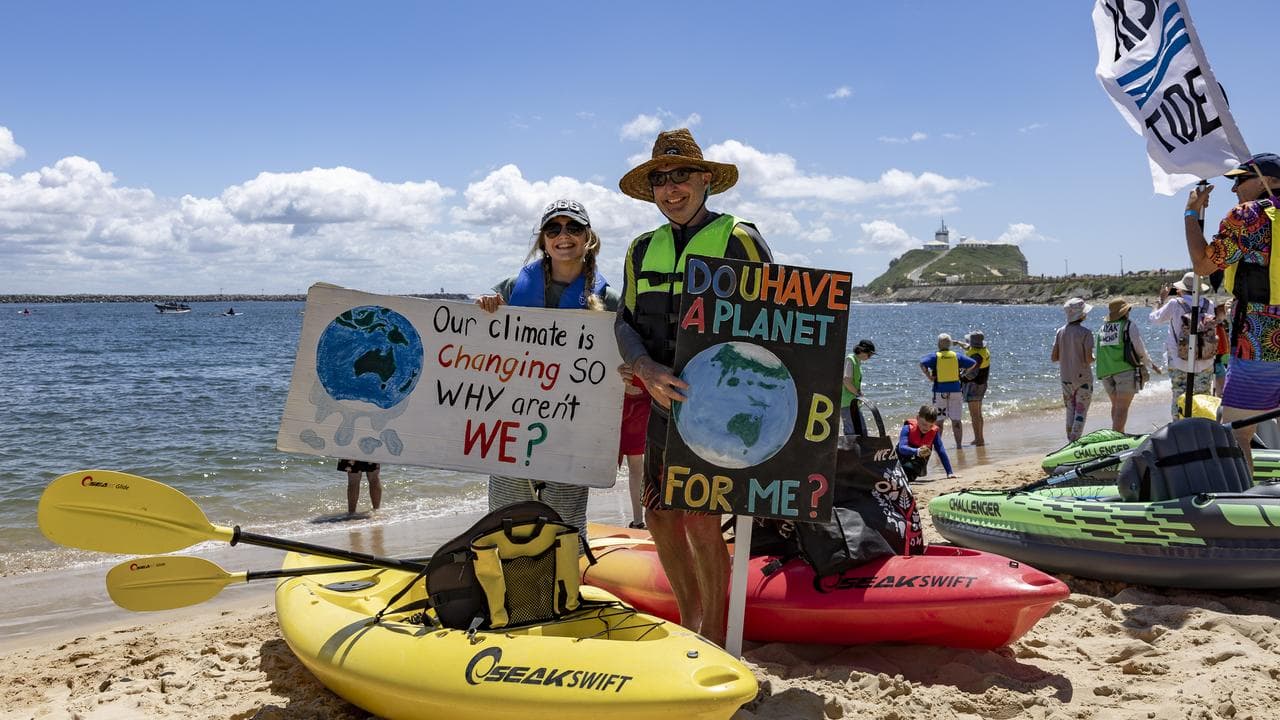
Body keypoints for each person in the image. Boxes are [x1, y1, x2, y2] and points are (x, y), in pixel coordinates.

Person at [614, 128, 772, 647]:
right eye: (661, 179)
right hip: (661, 401)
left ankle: (716, 633)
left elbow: (783, 321)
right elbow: (625, 320)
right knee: (659, 514)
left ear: (707, 179)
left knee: (703, 518)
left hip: (721, 409)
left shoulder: (739, 238)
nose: (671, 188)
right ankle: (688, 619)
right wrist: (641, 366)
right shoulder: (640, 250)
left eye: (682, 176)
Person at [476, 198, 619, 546]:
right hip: (510, 425)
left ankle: (566, 593)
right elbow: (471, 337)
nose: (563, 236)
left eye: (573, 228)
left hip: (572, 430)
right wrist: (484, 304)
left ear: (589, 237)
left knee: (566, 526)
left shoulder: (611, 300)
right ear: (543, 239)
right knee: (505, 520)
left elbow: (621, 361)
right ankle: (510, 593)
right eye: (553, 229)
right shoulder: (510, 288)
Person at [1185, 152, 1280, 474]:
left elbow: (1203, 266)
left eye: (1241, 179)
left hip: (1261, 337)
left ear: (1271, 182)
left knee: (1237, 432)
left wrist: (1191, 213)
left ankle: (1246, 505)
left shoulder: (1249, 216)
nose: (1234, 188)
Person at [1149, 271, 1216, 419]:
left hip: (1179, 361)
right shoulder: (1209, 304)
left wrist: (1160, 300)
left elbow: (1154, 319)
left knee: (1179, 397)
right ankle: (1204, 428)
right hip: (1205, 361)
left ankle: (1179, 428)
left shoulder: (1175, 304)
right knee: (1204, 399)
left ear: (1182, 289)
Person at [1094, 299, 1160, 432]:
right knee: (1122, 408)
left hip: (1105, 372)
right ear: (1126, 312)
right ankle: (1117, 438)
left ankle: (1117, 433)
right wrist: (1150, 364)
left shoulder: (1103, 328)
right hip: (1124, 371)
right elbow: (1139, 348)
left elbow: (1100, 352)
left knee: (1116, 407)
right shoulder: (1128, 325)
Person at [919, 333, 977, 449]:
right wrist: (963, 373)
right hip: (955, 391)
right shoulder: (956, 356)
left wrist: (929, 376)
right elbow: (973, 363)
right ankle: (959, 446)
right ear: (950, 344)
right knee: (956, 420)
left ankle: (938, 447)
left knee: (939, 421)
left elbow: (922, 363)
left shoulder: (935, 356)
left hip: (940, 392)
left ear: (939, 344)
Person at [1051, 298, 1095, 442]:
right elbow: (1088, 358)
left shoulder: (1060, 332)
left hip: (1065, 377)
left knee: (1070, 410)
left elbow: (1054, 357)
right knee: (1081, 411)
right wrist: (1095, 358)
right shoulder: (1086, 333)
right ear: (1081, 315)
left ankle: (1070, 440)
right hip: (1083, 378)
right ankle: (1074, 441)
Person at [618, 375, 650, 529]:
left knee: (636, 469)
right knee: (637, 469)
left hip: (626, 401)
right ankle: (638, 520)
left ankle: (638, 520)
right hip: (641, 401)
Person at [896, 405, 957, 482]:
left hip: (918, 460)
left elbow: (941, 451)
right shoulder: (907, 428)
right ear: (917, 418)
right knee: (899, 471)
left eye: (931, 426)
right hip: (903, 456)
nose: (927, 428)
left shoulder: (934, 432)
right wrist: (917, 451)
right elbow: (901, 448)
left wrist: (949, 472)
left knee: (909, 474)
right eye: (924, 424)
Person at [954, 331, 990, 446]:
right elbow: (968, 347)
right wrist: (958, 343)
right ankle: (979, 438)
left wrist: (960, 376)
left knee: (974, 415)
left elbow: (973, 371)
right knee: (978, 414)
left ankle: (979, 440)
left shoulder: (976, 356)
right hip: (982, 384)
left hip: (974, 385)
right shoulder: (983, 350)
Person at [840, 339, 876, 437]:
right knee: (851, 431)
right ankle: (848, 451)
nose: (869, 357)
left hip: (854, 402)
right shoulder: (850, 359)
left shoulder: (857, 362)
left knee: (862, 430)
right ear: (861, 350)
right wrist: (857, 393)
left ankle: (861, 451)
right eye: (869, 354)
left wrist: (858, 394)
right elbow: (846, 380)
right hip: (847, 402)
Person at [1212, 302, 1230, 396]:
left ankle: (1220, 395)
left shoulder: (1223, 324)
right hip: (1217, 355)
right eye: (1223, 312)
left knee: (1224, 374)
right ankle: (1219, 395)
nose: (1225, 314)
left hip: (1225, 353)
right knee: (1221, 376)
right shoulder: (1214, 323)